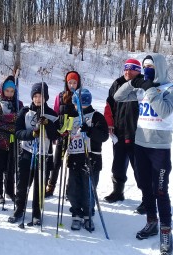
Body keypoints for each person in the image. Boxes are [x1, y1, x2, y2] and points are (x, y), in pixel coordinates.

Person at [114, 54, 173, 255]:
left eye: (151, 66)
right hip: (140, 145)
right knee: (145, 188)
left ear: (159, 67)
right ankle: (152, 221)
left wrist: (149, 88)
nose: (148, 69)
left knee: (160, 190)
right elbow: (118, 97)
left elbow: (163, 111)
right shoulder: (142, 87)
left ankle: (166, 232)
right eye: (145, 67)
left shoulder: (170, 88)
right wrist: (134, 82)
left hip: (159, 148)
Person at [8, 82, 59, 224]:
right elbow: (17, 132)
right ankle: (19, 209)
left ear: (46, 97)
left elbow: (56, 136)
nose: (37, 99)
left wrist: (48, 125)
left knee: (40, 185)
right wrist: (32, 133)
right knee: (23, 183)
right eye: (35, 96)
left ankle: (37, 212)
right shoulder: (25, 112)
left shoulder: (52, 114)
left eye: (41, 96)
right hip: (27, 153)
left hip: (44, 155)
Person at [104, 58, 145, 214]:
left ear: (138, 71)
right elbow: (109, 105)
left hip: (138, 134)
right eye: (126, 69)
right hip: (119, 132)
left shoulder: (143, 85)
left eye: (132, 69)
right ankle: (118, 191)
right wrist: (109, 123)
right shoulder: (117, 83)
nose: (128, 72)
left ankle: (146, 199)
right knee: (118, 166)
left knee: (140, 168)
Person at [67, 88, 108, 232]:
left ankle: (88, 214)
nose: (80, 106)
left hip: (91, 158)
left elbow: (104, 136)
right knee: (73, 189)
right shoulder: (70, 116)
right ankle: (76, 213)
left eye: (83, 103)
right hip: (74, 158)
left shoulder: (96, 116)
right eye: (77, 103)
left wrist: (89, 130)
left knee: (88, 189)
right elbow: (65, 133)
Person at [45, 71, 81, 197]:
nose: (72, 85)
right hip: (62, 134)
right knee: (56, 163)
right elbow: (55, 114)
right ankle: (51, 186)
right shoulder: (60, 96)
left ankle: (70, 189)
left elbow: (82, 115)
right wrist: (55, 133)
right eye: (70, 82)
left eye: (74, 82)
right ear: (66, 83)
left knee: (72, 163)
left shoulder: (80, 96)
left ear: (78, 83)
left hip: (75, 136)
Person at [0, 76, 23, 204]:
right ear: (2, 90)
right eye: (7, 90)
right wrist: (11, 123)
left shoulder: (18, 104)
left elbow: (20, 122)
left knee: (11, 167)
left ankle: (9, 190)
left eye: (12, 91)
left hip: (14, 141)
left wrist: (6, 119)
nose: (9, 93)